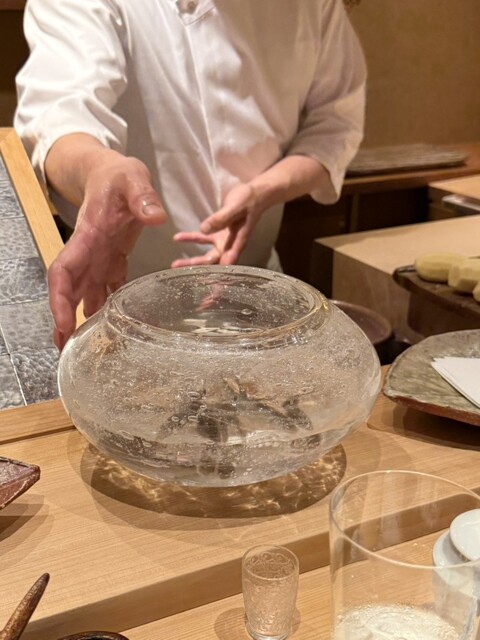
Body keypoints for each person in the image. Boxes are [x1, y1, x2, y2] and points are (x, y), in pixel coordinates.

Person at [15, 0, 366, 349]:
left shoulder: (315, 5)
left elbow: (337, 123)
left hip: (259, 289)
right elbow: (60, 116)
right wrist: (98, 168)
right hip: (122, 296)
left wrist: (264, 191)